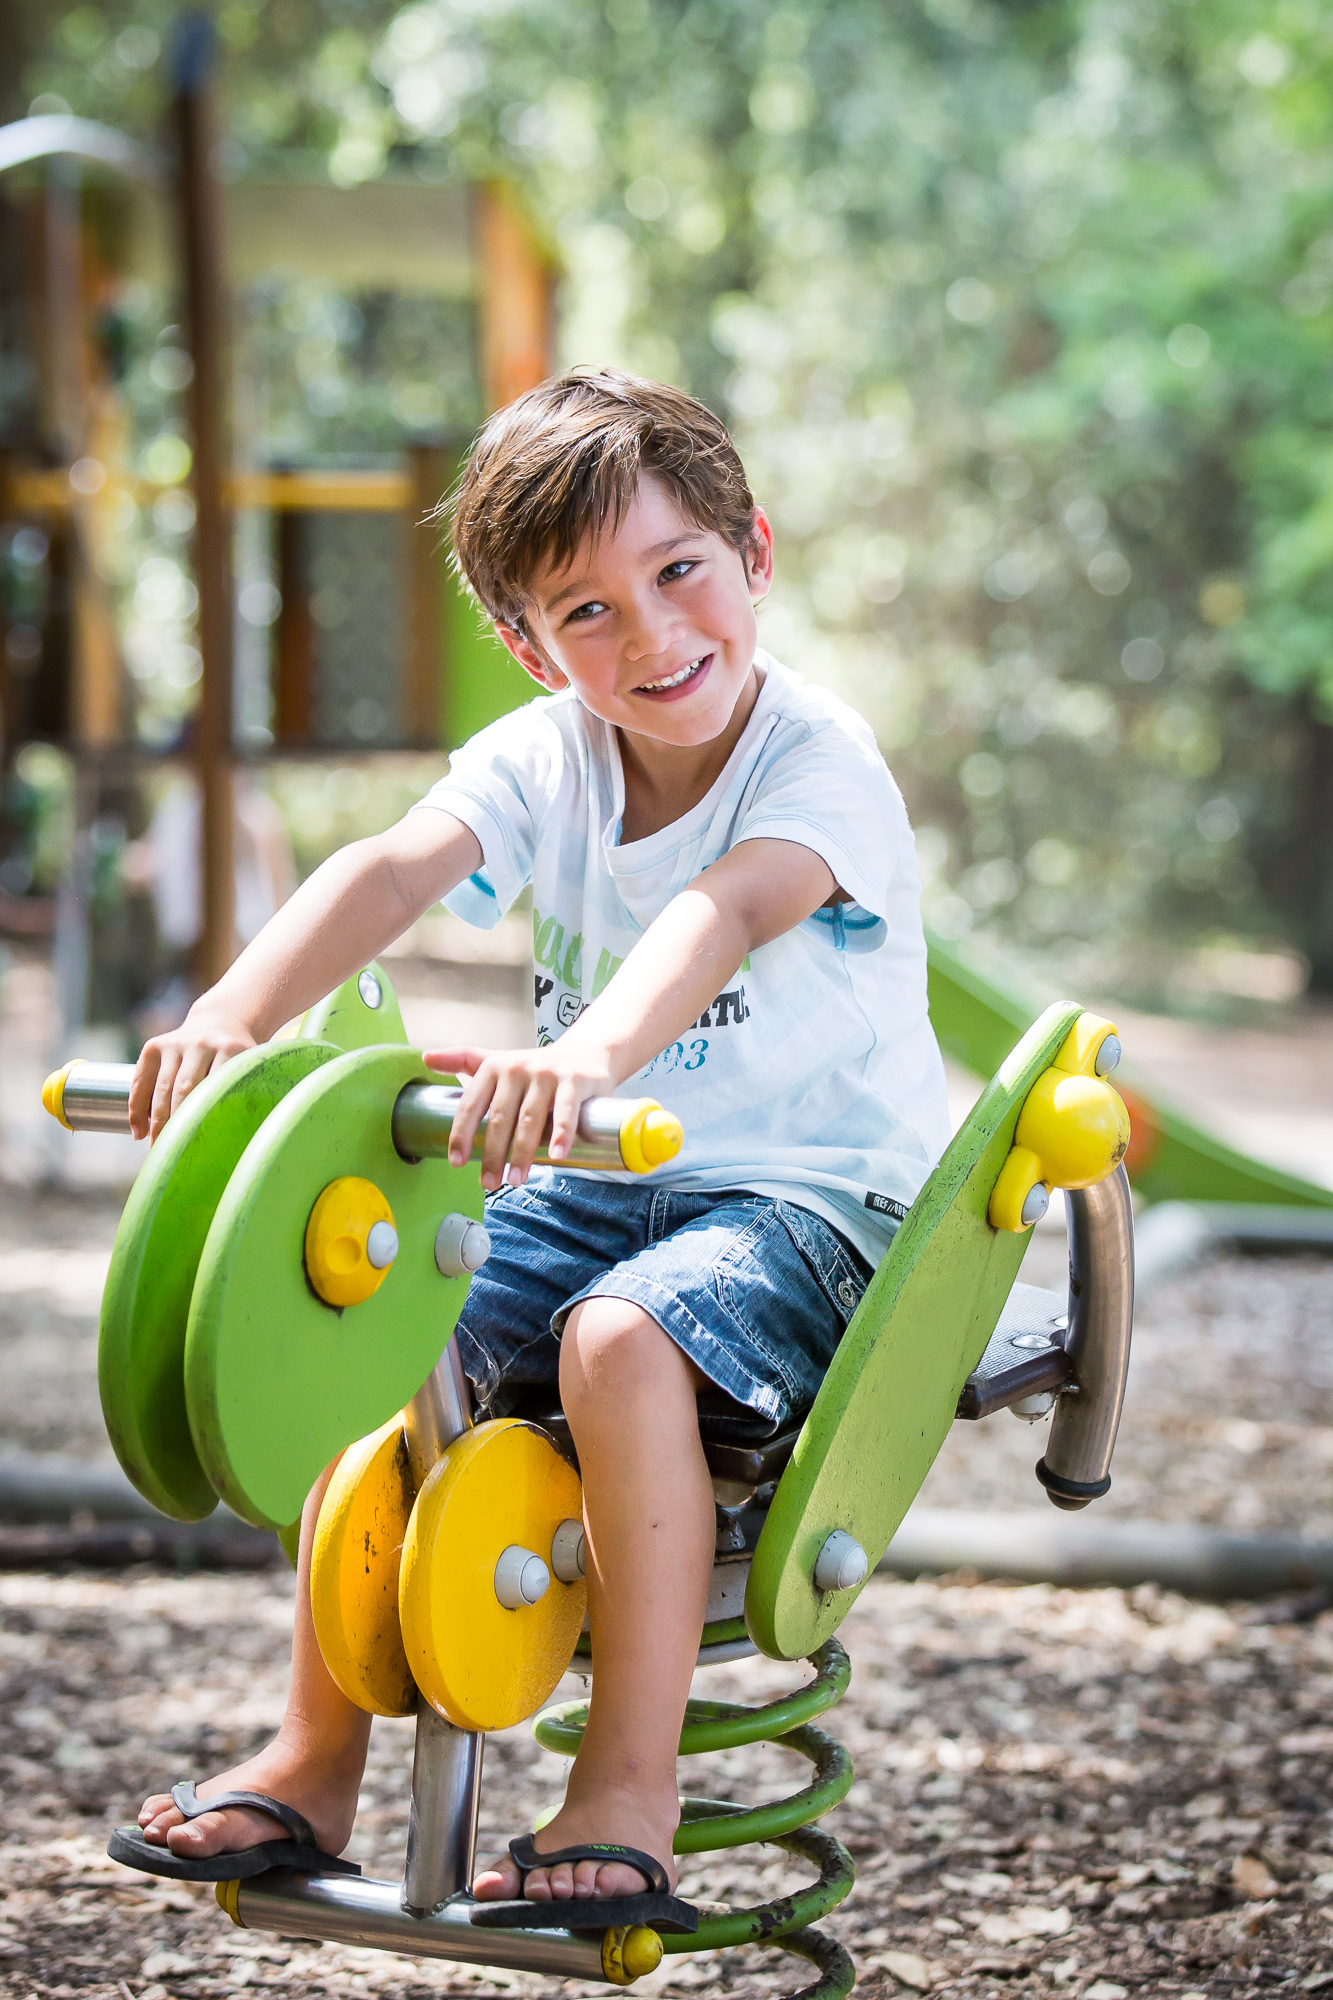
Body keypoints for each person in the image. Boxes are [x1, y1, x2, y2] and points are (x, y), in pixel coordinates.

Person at [121, 369, 949, 1922]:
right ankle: (312, 1756)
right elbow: (388, 867)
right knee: (378, 1325)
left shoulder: (814, 761)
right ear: (524, 643)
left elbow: (722, 911)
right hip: (605, 1179)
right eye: (585, 612)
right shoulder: (545, 758)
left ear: (751, 551)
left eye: (677, 571)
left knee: (621, 1344)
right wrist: (231, 1014)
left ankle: (627, 1782)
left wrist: (580, 1059)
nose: (648, 638)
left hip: (816, 1197)